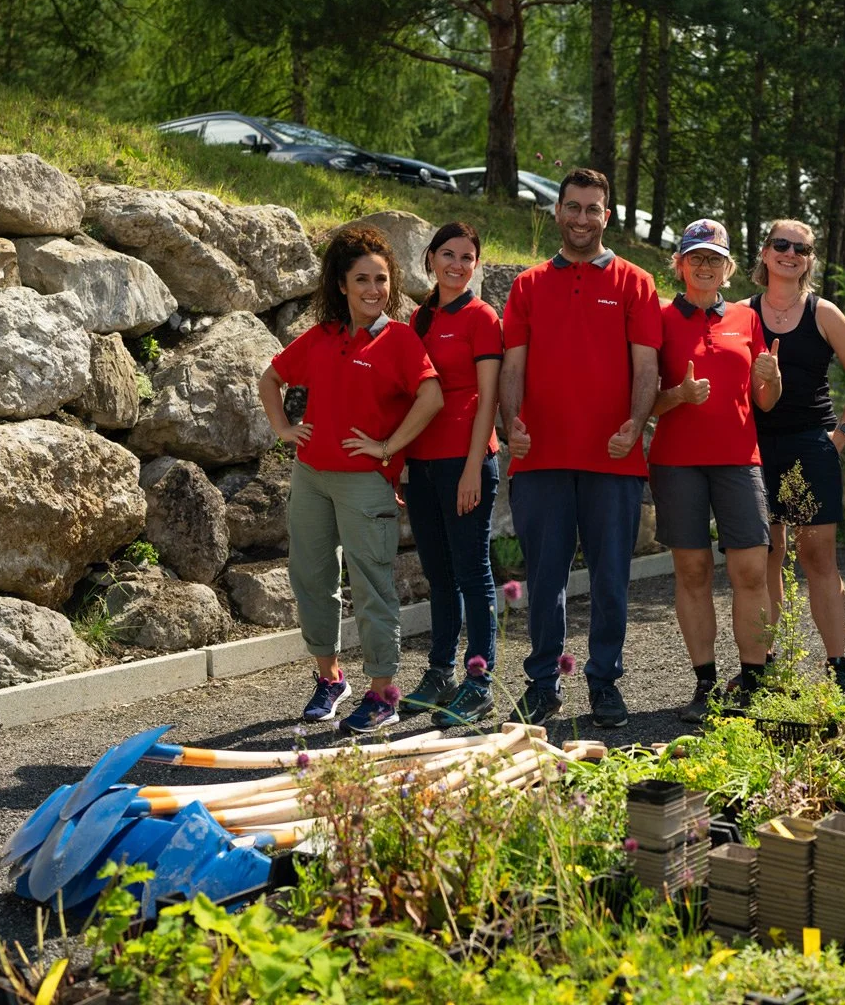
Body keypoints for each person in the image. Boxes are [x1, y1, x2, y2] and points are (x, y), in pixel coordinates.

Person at [258, 224, 442, 735]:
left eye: (381, 280)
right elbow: (271, 378)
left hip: (366, 481)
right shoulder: (323, 337)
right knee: (311, 580)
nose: (373, 289)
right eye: (362, 279)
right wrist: (283, 427)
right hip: (311, 476)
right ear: (342, 284)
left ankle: (384, 695)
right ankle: (330, 679)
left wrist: (387, 447)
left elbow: (432, 396)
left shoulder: (400, 340)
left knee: (372, 589)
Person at [499, 167, 661, 728]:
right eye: (573, 207)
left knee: (611, 578)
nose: (582, 218)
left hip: (613, 458)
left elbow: (647, 367)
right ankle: (543, 684)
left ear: (607, 216)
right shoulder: (528, 285)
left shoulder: (636, 283)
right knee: (545, 580)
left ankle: (604, 683)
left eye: (593, 209)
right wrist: (510, 421)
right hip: (539, 456)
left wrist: (635, 425)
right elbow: (511, 367)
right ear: (557, 211)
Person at [651, 219, 783, 722]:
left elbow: (764, 402)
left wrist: (771, 381)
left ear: (728, 268)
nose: (705, 266)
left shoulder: (749, 320)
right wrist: (678, 396)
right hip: (677, 463)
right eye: (695, 257)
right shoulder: (660, 319)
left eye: (714, 258)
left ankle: (754, 682)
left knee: (751, 570)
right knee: (693, 571)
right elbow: (645, 405)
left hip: (738, 460)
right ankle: (705, 684)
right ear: (680, 264)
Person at [744, 219, 845, 690]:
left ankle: (837, 663)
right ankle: (769, 660)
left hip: (808, 445)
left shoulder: (824, 313)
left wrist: (839, 435)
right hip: (754, 449)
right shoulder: (741, 313)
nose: (790, 254)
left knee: (818, 556)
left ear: (810, 259)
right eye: (781, 245)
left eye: (801, 249)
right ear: (764, 252)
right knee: (765, 556)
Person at [399, 222, 504, 728]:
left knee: (472, 573)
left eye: (467, 257)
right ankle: (439, 672)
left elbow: (488, 399)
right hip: (421, 465)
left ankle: (479, 681)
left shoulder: (482, 318)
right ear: (430, 260)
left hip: (467, 463)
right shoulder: (418, 319)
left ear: (476, 265)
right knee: (439, 577)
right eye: (448, 254)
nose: (457, 264)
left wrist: (471, 470)